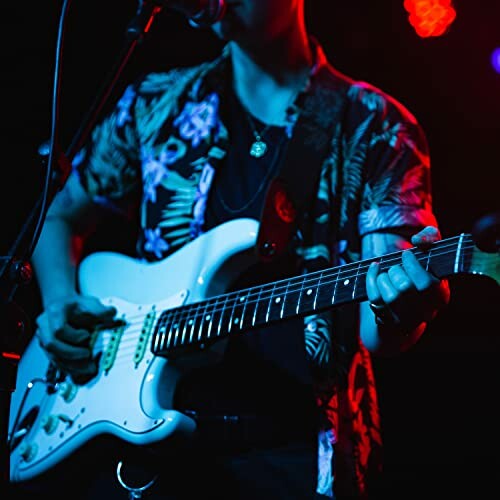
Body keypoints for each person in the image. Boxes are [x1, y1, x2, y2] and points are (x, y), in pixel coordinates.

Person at [8, 1, 451, 499]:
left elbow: (379, 330)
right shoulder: (157, 101)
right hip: (143, 451)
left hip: (292, 457)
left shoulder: (376, 125)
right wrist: (61, 301)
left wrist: (400, 308)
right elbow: (60, 214)